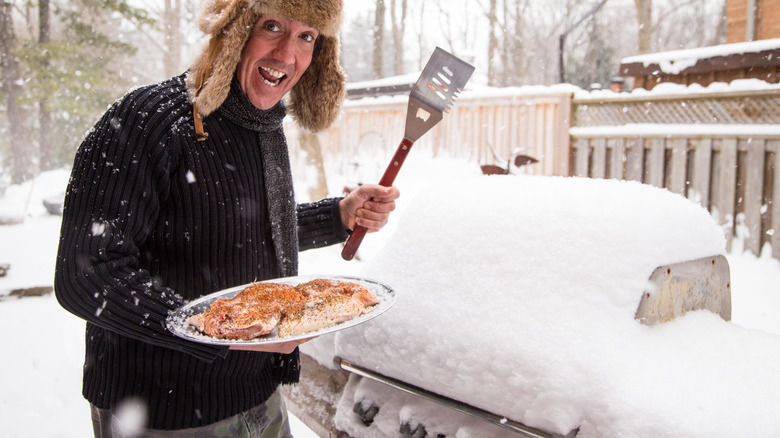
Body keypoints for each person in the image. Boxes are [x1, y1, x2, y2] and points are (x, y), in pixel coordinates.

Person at [53, 0, 399, 436]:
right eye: (272, 26)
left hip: (258, 397)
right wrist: (215, 331)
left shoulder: (263, 128)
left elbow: (236, 225)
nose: (287, 54)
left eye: (307, 36)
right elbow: (86, 275)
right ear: (237, 29)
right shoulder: (147, 120)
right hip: (159, 412)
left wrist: (338, 216)